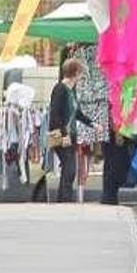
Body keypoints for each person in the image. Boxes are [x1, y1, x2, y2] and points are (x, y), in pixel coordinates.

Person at [49, 58, 99, 203]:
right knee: (69, 168)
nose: (81, 76)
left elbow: (77, 113)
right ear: (75, 72)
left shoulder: (72, 91)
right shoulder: (60, 89)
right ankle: (64, 200)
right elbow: (55, 114)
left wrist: (92, 124)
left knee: (69, 168)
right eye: (80, 73)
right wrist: (64, 135)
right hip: (62, 136)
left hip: (71, 135)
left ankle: (64, 199)